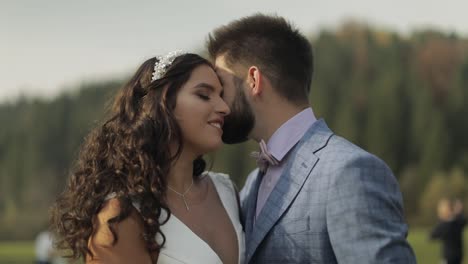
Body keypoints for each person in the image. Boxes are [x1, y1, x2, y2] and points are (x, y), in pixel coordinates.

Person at [207, 13, 416, 263]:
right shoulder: (252, 183)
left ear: (253, 80)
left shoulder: (349, 171)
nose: (218, 103)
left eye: (222, 87)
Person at [50, 52, 244, 264]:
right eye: (204, 95)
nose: (224, 108)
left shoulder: (226, 191)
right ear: (161, 104)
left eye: (222, 96)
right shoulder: (120, 216)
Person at [430, 198, 466, 264]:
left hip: (448, 258)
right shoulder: (458, 221)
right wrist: (459, 211)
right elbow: (463, 219)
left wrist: (441, 219)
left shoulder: (444, 224)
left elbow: (432, 235)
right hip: (458, 256)